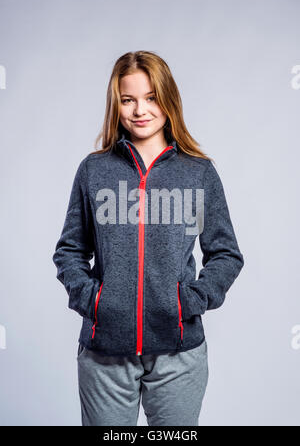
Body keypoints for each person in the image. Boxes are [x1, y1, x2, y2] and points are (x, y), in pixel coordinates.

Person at [52, 50, 244, 426]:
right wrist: (94, 300)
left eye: (151, 97)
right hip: (105, 353)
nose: (140, 110)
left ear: (167, 99)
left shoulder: (198, 173)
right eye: (128, 99)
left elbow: (226, 254)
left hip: (178, 352)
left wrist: (191, 300)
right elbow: (70, 250)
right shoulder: (94, 170)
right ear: (116, 104)